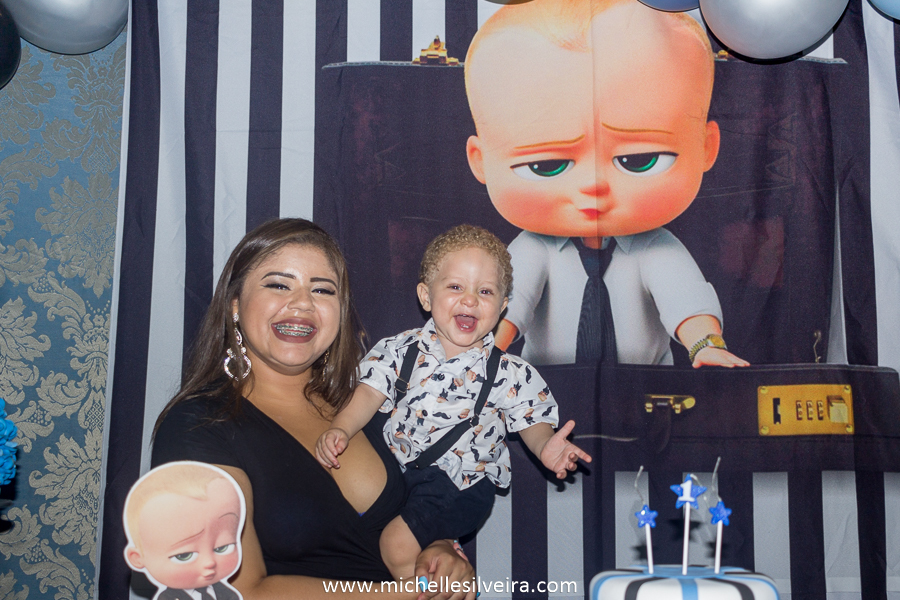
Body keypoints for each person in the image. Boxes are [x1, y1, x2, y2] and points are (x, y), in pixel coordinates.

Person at [151, 218, 476, 600]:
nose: (302, 303)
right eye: (278, 284)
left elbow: (413, 513)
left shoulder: (365, 406)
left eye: (322, 290)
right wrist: (410, 594)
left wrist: (436, 548)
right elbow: (239, 592)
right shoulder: (197, 426)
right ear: (235, 305)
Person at [463, 0, 750, 367]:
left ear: (706, 147)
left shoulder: (655, 248)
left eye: (638, 160)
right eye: (546, 165)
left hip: (646, 394)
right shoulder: (534, 248)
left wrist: (705, 345)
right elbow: (510, 305)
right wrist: (484, 353)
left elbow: (684, 300)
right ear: (481, 160)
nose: (593, 185)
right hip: (546, 392)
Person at [315, 224, 591, 580]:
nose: (471, 299)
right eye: (456, 287)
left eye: (486, 291)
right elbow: (368, 393)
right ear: (426, 296)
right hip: (398, 474)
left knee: (396, 545)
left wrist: (545, 447)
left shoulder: (509, 372)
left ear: (503, 306)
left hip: (460, 484)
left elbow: (531, 421)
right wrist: (341, 427)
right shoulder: (399, 350)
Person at [124, 462, 243, 600]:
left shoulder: (228, 594)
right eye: (184, 555)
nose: (209, 562)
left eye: (222, 548)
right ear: (138, 558)